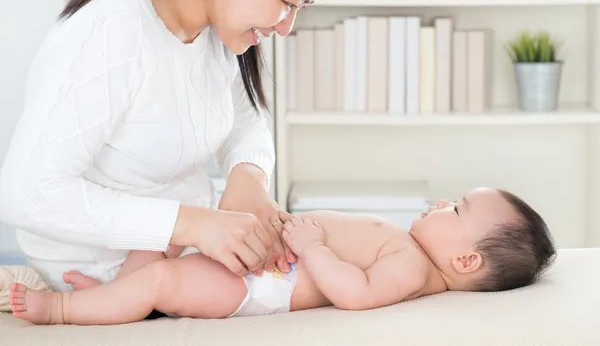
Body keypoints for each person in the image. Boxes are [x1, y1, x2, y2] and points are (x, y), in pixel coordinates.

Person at [0, 0, 343, 300]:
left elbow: (245, 119)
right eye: (287, 3)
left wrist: (249, 178)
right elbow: (26, 194)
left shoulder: (221, 32)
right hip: (99, 269)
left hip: (177, 250)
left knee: (328, 249)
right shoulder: (112, 31)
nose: (286, 27)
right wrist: (193, 224)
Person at [8, 187, 556, 324]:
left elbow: (355, 295)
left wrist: (314, 248)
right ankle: (112, 298)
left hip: (261, 289)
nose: (441, 203)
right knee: (166, 237)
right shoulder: (412, 248)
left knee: (164, 283)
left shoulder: (413, 269)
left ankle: (60, 312)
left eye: (455, 209)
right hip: (268, 262)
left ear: (465, 263)